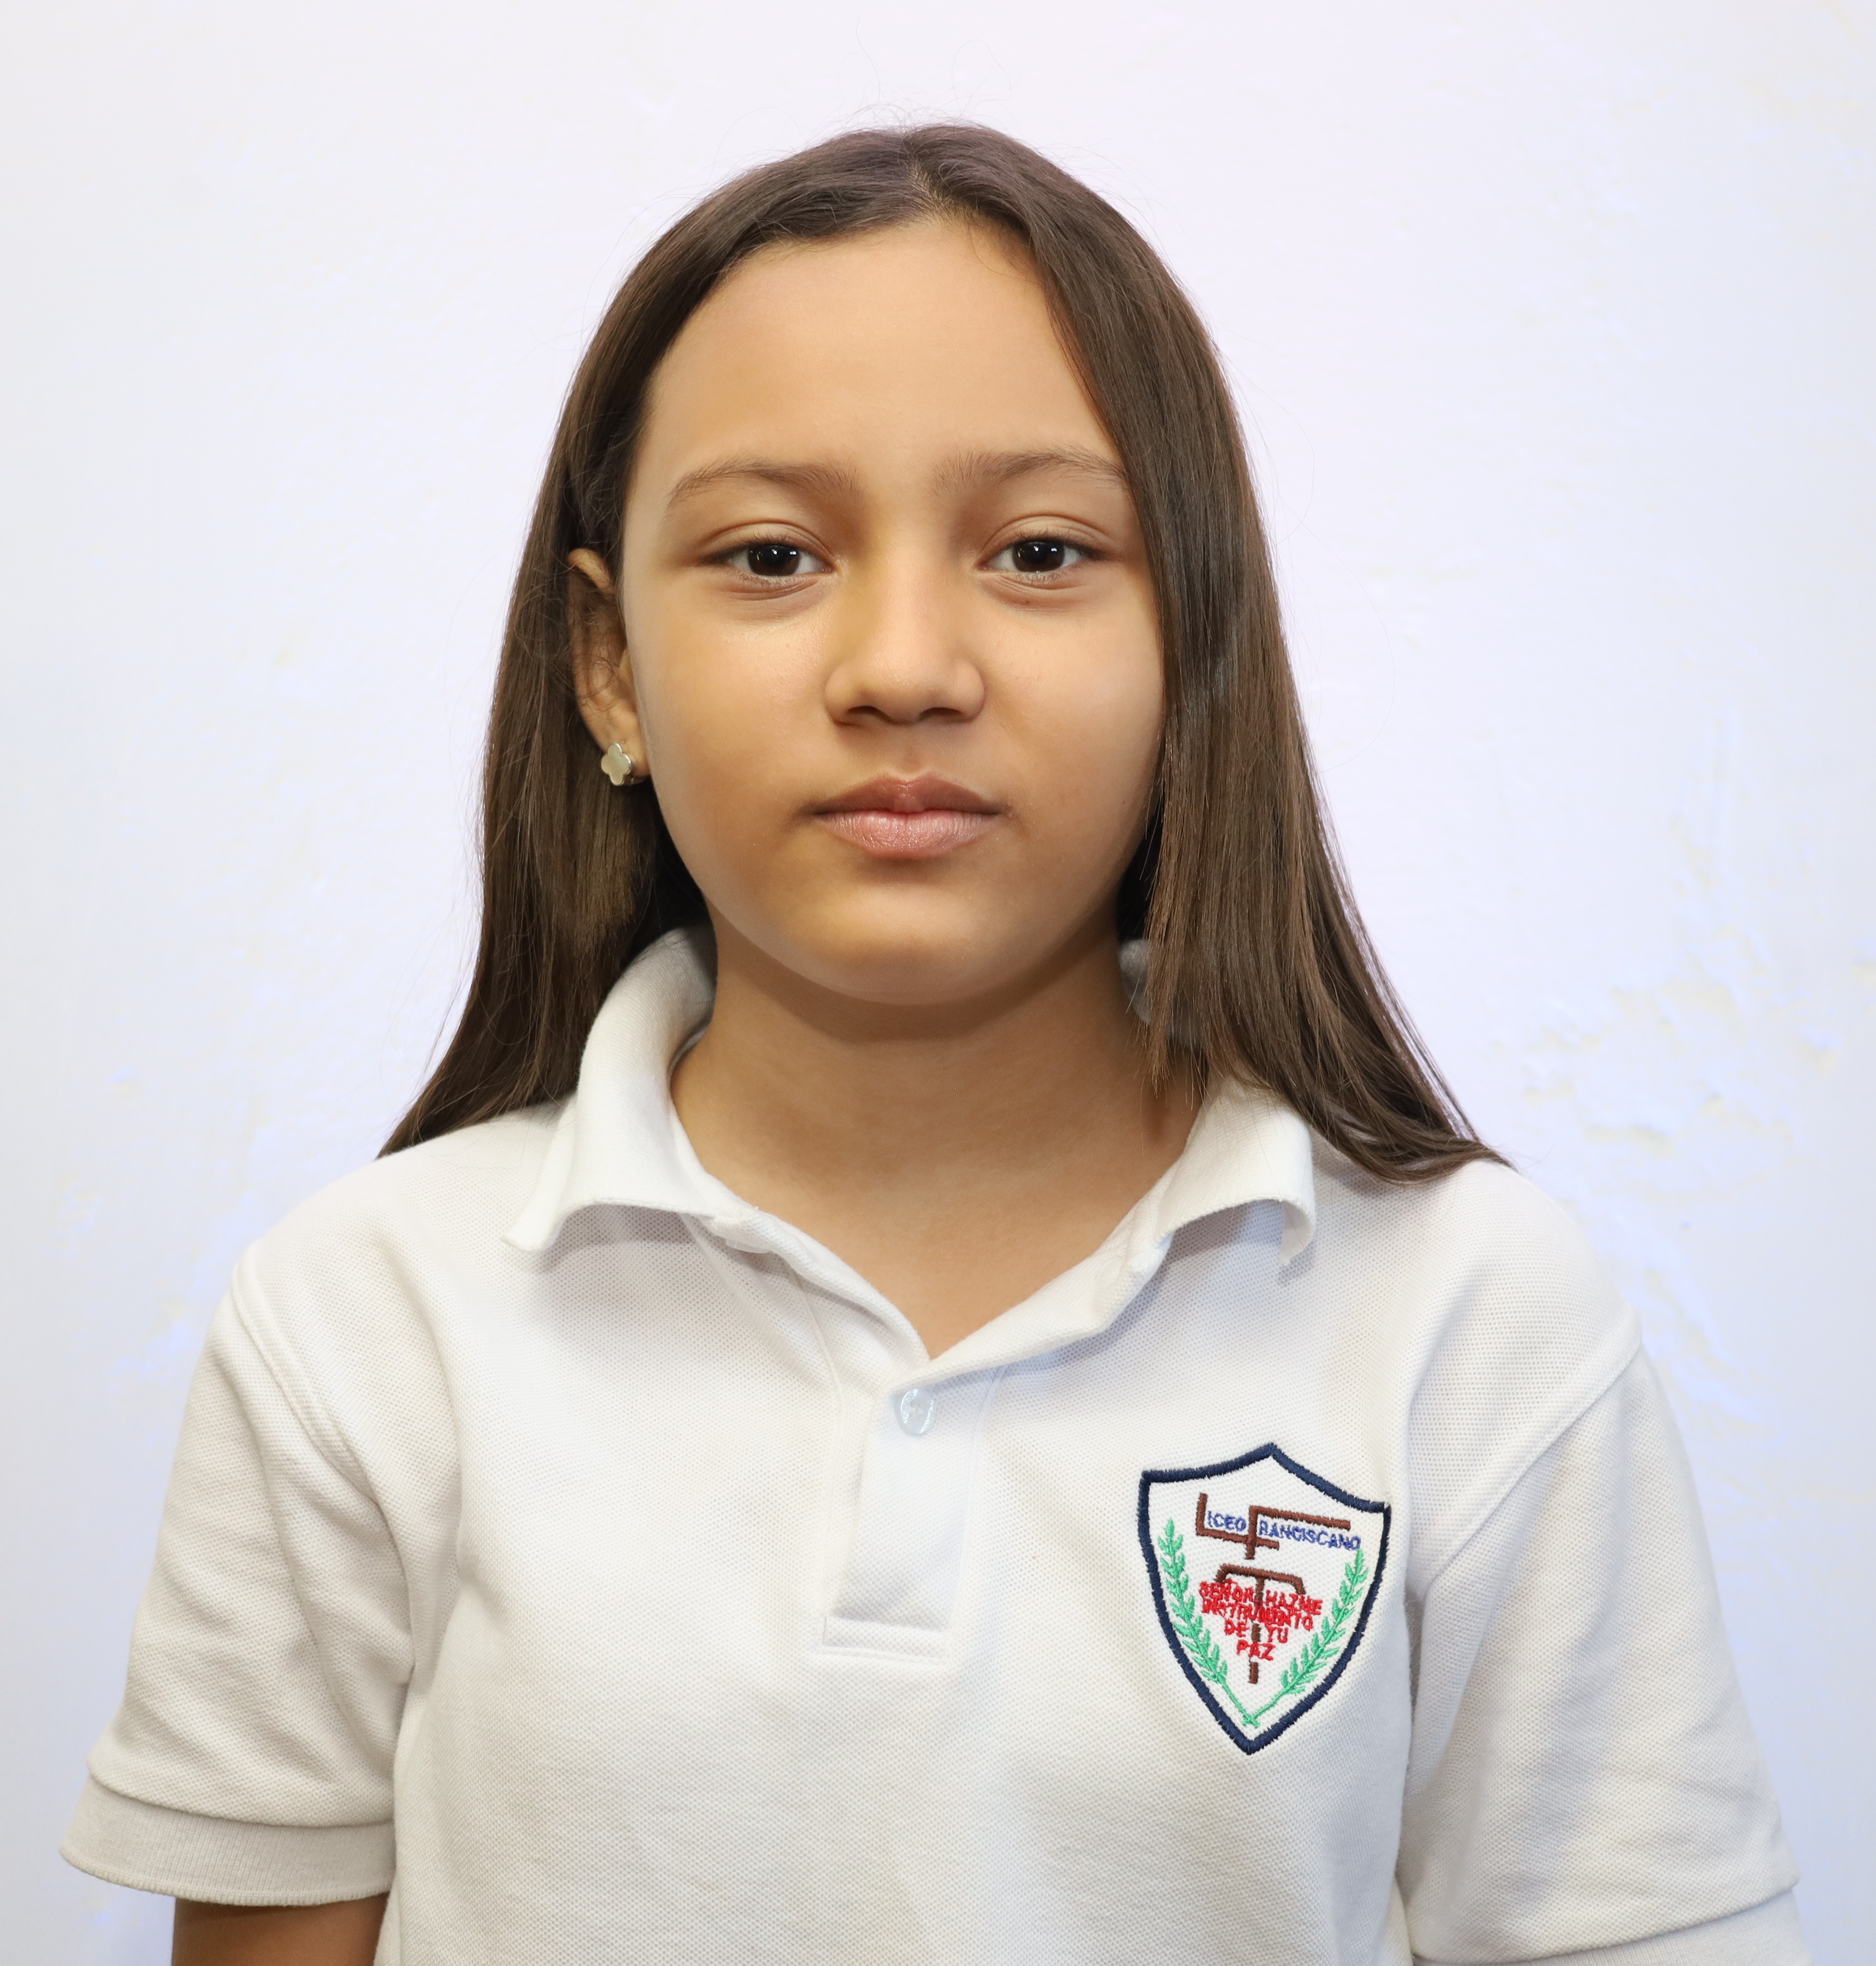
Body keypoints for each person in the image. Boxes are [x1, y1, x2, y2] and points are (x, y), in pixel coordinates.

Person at [62, 124, 1805, 1966]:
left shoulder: (1472, 1319)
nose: (903, 666)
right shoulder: (360, 1322)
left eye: (1041, 551)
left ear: (1194, 641)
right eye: (772, 554)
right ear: (607, 664)